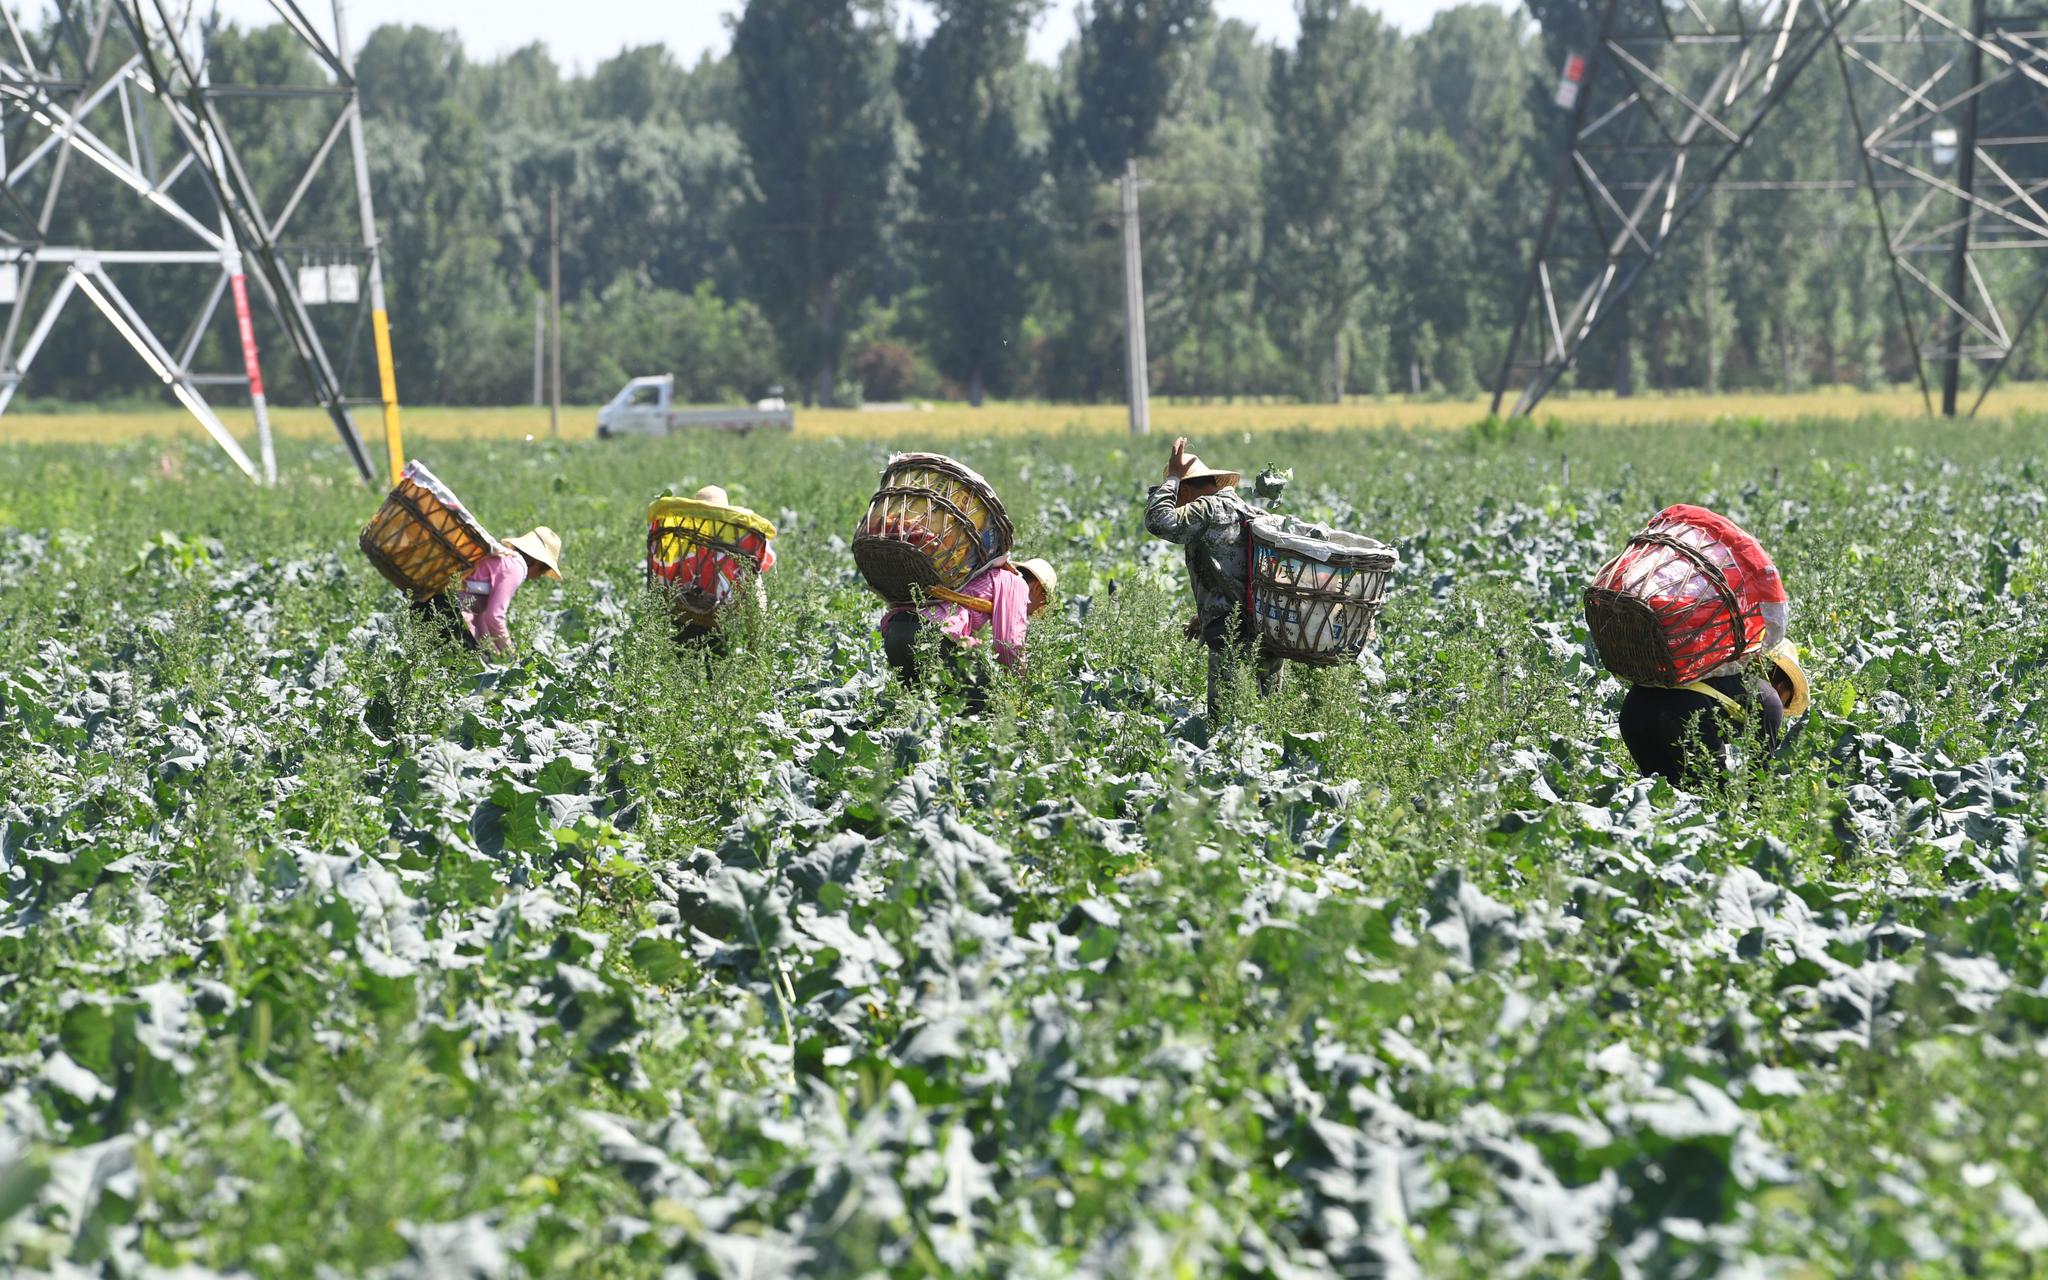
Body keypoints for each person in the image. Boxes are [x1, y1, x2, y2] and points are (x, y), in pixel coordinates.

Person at [1608, 505, 1808, 786]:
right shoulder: (1767, 700)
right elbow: (1757, 782)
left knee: (1660, 806)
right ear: (1780, 679)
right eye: (1788, 698)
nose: (1784, 705)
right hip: (1683, 717)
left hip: (1635, 712)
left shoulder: (1703, 668)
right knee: (1704, 808)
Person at [1145, 435, 1279, 720]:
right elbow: (1241, 572)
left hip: (1231, 638)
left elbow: (1158, 521)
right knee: (1269, 724)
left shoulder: (1205, 509)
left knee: (1225, 730)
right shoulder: (1252, 512)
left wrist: (1172, 477)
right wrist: (1204, 613)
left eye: (1178, 495)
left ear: (1186, 491)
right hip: (1268, 634)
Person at [879, 556, 1056, 709]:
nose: (1037, 611)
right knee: (982, 699)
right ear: (1038, 589)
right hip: (928, 635)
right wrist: (1019, 689)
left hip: (896, 632)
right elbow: (1009, 644)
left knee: (922, 706)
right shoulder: (1015, 583)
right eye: (1044, 601)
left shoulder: (983, 575)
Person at [411, 526, 562, 656]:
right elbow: (494, 616)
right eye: (542, 573)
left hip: (426, 602)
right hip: (448, 611)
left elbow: (481, 613)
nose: (538, 578)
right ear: (538, 563)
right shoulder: (517, 568)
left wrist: (490, 646)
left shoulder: (503, 557)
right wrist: (510, 653)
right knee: (468, 677)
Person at [661, 484, 776, 651]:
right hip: (720, 622)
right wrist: (755, 641)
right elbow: (755, 600)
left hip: (683, 618)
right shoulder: (737, 553)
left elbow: (663, 584)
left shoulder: (680, 547)